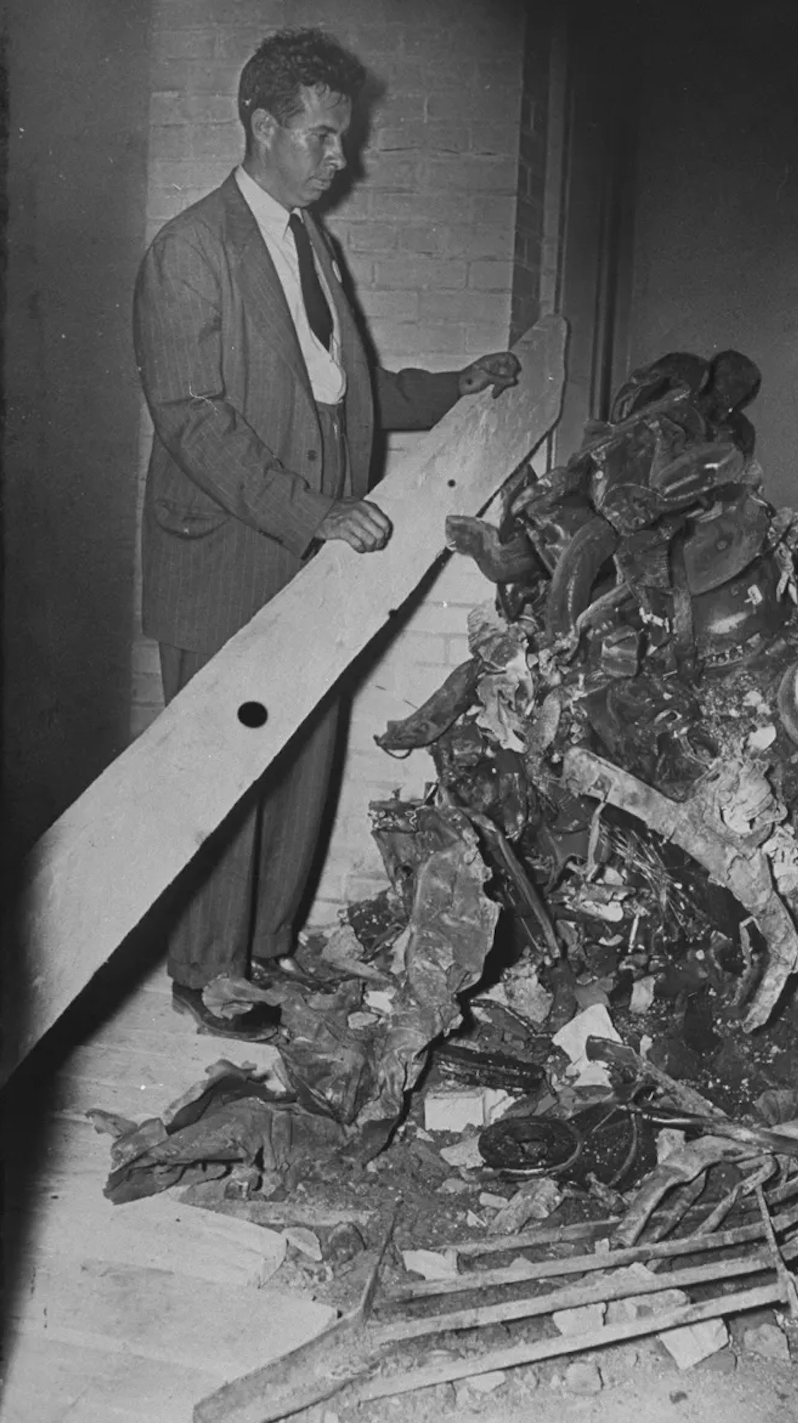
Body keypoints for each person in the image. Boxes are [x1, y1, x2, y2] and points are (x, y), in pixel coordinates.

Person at [134, 28, 518, 1039]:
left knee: (298, 758)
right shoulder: (188, 252)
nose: (338, 159)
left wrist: (451, 386)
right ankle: (206, 972)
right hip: (224, 557)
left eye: (340, 140)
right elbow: (194, 420)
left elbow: (344, 398)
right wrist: (314, 512)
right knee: (225, 766)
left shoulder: (313, 244)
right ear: (262, 129)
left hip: (312, 562)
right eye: (320, 138)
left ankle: (261, 952)